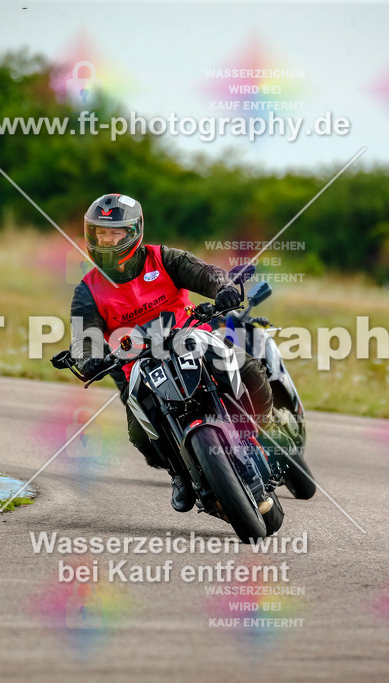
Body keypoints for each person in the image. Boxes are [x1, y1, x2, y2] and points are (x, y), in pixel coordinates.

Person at [69, 193, 275, 513]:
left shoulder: (164, 258)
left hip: (191, 339)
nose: (107, 240)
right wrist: (87, 358)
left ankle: (264, 430)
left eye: (115, 233)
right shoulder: (87, 289)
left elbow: (206, 274)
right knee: (140, 435)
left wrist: (224, 289)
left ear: (134, 231)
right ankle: (179, 474)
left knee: (248, 368)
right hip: (137, 365)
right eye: (101, 233)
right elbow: (84, 337)